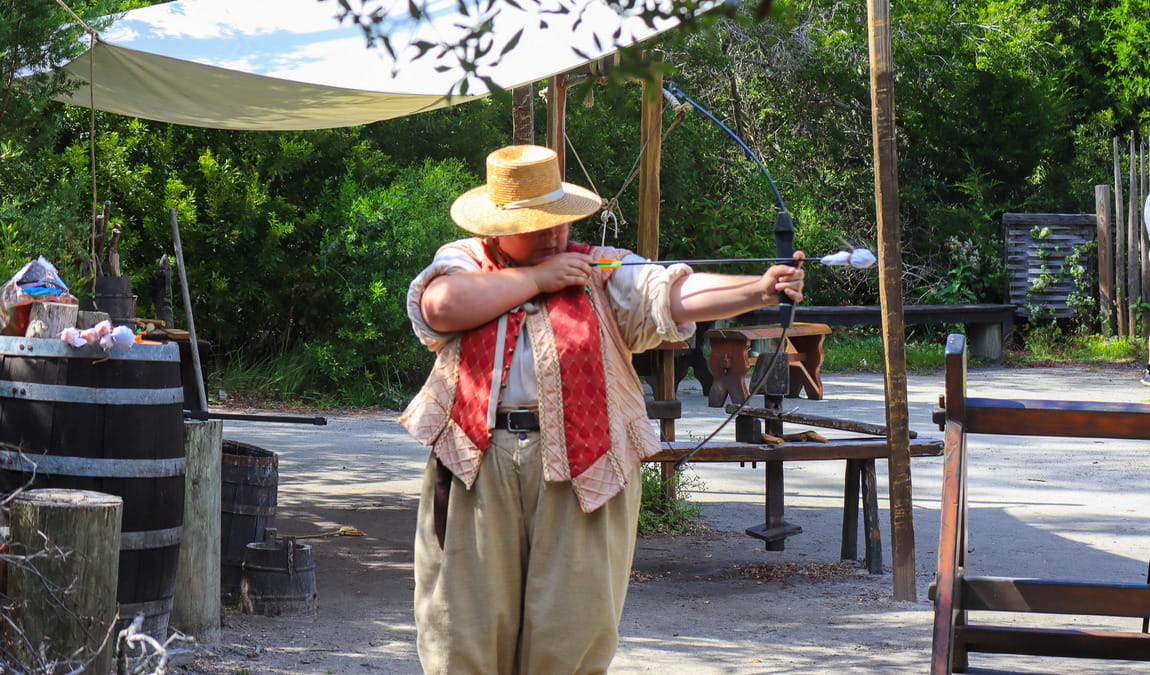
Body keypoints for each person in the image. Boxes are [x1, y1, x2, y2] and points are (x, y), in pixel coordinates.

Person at [399, 144, 805, 674]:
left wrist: (757, 288)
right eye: (536, 223)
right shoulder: (464, 262)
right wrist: (538, 280)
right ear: (497, 229)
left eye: (559, 222)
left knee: (573, 627)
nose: (552, 233)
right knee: (463, 628)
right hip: (474, 459)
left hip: (584, 463)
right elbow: (442, 305)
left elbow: (673, 294)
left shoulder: (602, 269)